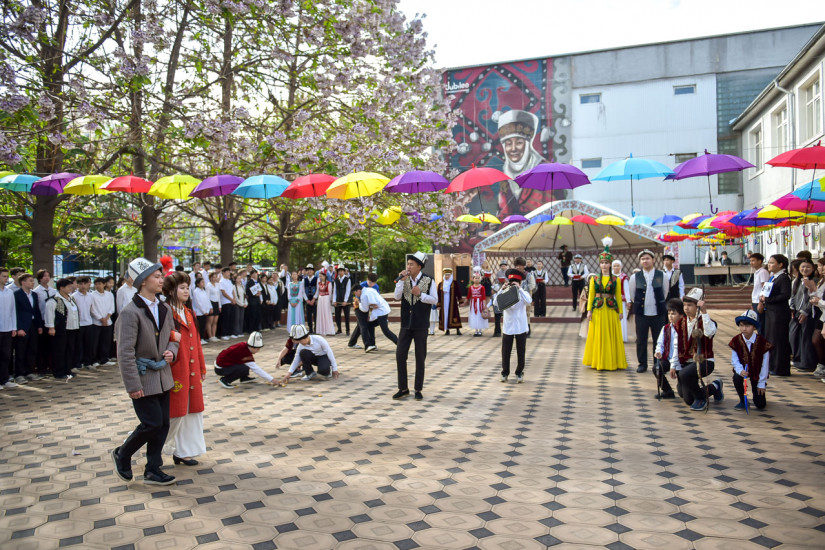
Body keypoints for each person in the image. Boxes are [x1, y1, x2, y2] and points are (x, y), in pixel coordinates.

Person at [111, 257, 180, 486]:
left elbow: (174, 337)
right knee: (151, 423)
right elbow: (125, 352)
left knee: (163, 424)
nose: (162, 280)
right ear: (142, 282)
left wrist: (171, 351)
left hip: (163, 376)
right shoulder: (130, 313)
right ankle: (122, 453)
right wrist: (133, 385)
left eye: (161, 276)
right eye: (157, 277)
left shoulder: (164, 308)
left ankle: (153, 469)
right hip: (143, 377)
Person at [161, 272, 207, 466]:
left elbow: (196, 343)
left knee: (192, 411)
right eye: (182, 287)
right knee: (175, 413)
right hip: (175, 370)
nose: (186, 291)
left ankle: (184, 451)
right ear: (171, 291)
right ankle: (139, 448)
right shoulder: (165, 312)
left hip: (192, 369)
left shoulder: (189, 313)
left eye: (188, 287)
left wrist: (202, 367)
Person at [394, 252, 438, 400]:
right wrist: (400, 282)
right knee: (400, 355)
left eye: (411, 264)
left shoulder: (429, 280)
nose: (408, 267)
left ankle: (418, 389)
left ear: (419, 266)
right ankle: (403, 388)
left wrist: (420, 294)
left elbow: (434, 300)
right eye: (408, 264)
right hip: (406, 324)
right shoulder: (404, 280)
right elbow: (397, 296)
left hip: (421, 324)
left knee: (420, 357)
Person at [671, 288, 723, 411]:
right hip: (687, 363)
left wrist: (704, 312)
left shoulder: (707, 321)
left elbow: (709, 333)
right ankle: (715, 386)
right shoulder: (680, 323)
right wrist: (673, 365)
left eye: (690, 305)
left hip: (704, 361)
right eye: (684, 305)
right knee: (688, 398)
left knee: (684, 375)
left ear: (697, 306)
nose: (686, 308)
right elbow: (676, 345)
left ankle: (701, 399)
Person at [583, 241, 627, 371]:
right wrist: (589, 310)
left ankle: (611, 361)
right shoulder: (595, 278)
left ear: (610, 264)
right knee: (598, 334)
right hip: (598, 309)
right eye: (602, 262)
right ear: (599, 264)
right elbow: (591, 295)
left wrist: (620, 311)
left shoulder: (616, 279)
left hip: (611, 309)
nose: (604, 265)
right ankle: (598, 360)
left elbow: (618, 295)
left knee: (611, 334)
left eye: (606, 263)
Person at [628, 249, 667, 374]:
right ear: (640, 261)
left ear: (653, 260)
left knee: (658, 340)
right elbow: (632, 295)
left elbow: (665, 292)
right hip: (641, 314)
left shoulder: (662, 275)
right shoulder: (634, 277)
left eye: (647, 258)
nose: (645, 261)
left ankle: (658, 363)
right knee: (641, 340)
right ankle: (642, 364)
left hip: (658, 313)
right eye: (643, 259)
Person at [492, 268, 533, 382]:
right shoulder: (505, 292)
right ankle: (505, 372)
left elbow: (529, 301)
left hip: (521, 326)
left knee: (521, 351)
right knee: (506, 351)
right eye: (511, 282)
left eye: (516, 282)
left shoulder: (522, 293)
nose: (513, 284)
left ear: (520, 282)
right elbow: (495, 303)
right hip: (508, 327)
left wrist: (520, 288)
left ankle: (519, 372)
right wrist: (501, 289)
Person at [730, 310, 771, 411]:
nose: (744, 328)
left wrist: (762, 382)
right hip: (743, 371)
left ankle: (757, 393)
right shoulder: (736, 340)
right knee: (736, 377)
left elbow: (765, 364)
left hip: (757, 373)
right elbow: (734, 359)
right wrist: (740, 370)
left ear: (754, 327)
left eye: (747, 326)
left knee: (760, 404)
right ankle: (742, 400)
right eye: (741, 325)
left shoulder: (762, 342)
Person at [758, 254, 792, 376]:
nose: (769, 265)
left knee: (778, 340)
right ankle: (772, 365)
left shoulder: (784, 278)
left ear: (780, 264)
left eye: (772, 263)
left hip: (779, 313)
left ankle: (780, 368)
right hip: (771, 312)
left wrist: (768, 300)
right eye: (769, 262)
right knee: (771, 339)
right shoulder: (773, 277)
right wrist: (762, 300)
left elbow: (785, 295)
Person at [44, 278, 79, 380]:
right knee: (59, 351)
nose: (70, 288)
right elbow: (49, 314)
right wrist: (51, 327)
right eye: (68, 287)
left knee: (69, 350)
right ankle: (58, 371)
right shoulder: (54, 300)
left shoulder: (71, 298)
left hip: (72, 328)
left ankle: (67, 370)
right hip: (61, 329)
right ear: (61, 288)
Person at [13, 273, 44, 384]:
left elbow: (36, 310)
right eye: (30, 281)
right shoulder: (16, 295)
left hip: (33, 325)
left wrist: (39, 325)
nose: (32, 283)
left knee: (32, 349)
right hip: (23, 326)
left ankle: (29, 371)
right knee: (21, 351)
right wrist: (18, 328)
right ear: (23, 282)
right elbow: (15, 312)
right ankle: (19, 374)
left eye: (32, 280)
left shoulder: (34, 294)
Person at [351, 281, 397, 352]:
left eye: (355, 293)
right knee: (369, 325)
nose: (356, 295)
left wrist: (358, 303)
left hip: (380, 313)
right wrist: (371, 305)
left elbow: (364, 309)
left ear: (358, 290)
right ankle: (371, 344)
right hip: (384, 309)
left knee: (386, 331)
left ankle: (399, 343)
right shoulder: (369, 289)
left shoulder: (363, 295)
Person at [790, 258, 818, 372]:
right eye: (802, 267)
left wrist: (805, 311)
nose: (805, 269)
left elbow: (812, 298)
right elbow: (793, 295)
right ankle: (798, 359)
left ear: (813, 268)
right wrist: (792, 307)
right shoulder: (797, 280)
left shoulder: (814, 281)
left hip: (808, 313)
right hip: (796, 312)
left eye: (808, 267)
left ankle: (807, 363)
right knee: (794, 336)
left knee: (806, 338)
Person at [654, 299, 684, 399]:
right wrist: (658, 351)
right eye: (669, 313)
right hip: (669, 359)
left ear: (681, 315)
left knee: (683, 393)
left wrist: (674, 366)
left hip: (681, 362)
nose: (670, 316)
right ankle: (667, 391)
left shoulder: (684, 329)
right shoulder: (666, 328)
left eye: (673, 314)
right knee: (657, 368)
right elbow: (660, 343)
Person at [33, 269, 55, 376]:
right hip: (42, 320)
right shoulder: (36, 292)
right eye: (44, 276)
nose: (46, 278)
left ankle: (50, 365)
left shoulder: (53, 291)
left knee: (51, 345)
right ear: (39, 278)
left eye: (48, 276)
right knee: (41, 346)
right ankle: (41, 367)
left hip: (51, 320)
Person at [90, 277, 116, 367]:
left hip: (108, 322)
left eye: (100, 284)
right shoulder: (92, 295)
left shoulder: (109, 295)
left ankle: (104, 359)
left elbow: (112, 307)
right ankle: (94, 360)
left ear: (104, 284)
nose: (97, 286)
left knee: (106, 341)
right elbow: (92, 309)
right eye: (96, 284)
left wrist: (107, 318)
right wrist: (101, 318)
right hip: (96, 322)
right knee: (95, 342)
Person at [0, 267, 18, 389]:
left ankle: (4, 379)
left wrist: (13, 327)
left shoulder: (9, 292)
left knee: (6, 355)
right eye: (4, 276)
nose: (6, 279)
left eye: (7, 276)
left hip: (7, 328)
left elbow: (13, 311)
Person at [72, 276, 96, 369]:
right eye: (81, 284)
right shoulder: (74, 296)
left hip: (89, 323)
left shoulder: (91, 296)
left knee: (89, 344)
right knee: (78, 345)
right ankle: (78, 363)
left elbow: (92, 309)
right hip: (79, 324)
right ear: (77, 285)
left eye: (85, 284)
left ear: (88, 284)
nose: (83, 286)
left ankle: (88, 362)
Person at [438, 267, 464, 335]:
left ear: (451, 275)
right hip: (444, 302)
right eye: (446, 275)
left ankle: (457, 329)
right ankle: (447, 330)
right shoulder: (441, 284)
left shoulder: (454, 283)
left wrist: (460, 301)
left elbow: (458, 292)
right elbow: (438, 294)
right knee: (445, 315)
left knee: (455, 315)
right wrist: (439, 304)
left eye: (448, 275)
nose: (447, 276)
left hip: (452, 302)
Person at [611, 260, 631, 342]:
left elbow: (626, 289)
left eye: (618, 266)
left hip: (621, 300)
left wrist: (628, 300)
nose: (616, 267)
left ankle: (622, 337)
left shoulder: (623, 277)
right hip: (610, 300)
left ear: (621, 267)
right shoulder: (609, 276)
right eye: (614, 266)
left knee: (621, 318)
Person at [313, 270, 336, 336]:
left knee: (326, 313)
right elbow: (317, 292)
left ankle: (328, 330)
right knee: (320, 313)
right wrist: (314, 298)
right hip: (320, 299)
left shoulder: (329, 283)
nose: (320, 277)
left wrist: (330, 301)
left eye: (321, 276)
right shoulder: (319, 283)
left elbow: (330, 293)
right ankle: (320, 330)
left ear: (325, 276)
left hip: (326, 299)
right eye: (319, 276)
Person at [750, 253, 769, 329]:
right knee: (758, 323)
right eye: (750, 261)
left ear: (759, 261)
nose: (751, 263)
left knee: (761, 324)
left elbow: (765, 287)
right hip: (755, 300)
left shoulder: (763, 272)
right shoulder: (757, 272)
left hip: (760, 301)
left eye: (753, 260)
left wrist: (761, 302)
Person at [191, 276, 212, 345]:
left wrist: (209, 308)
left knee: (203, 325)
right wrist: (203, 311)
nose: (203, 283)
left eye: (203, 282)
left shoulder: (204, 291)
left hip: (205, 311)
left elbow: (207, 300)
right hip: (199, 312)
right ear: (198, 284)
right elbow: (198, 303)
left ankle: (202, 338)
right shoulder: (196, 291)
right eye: (202, 282)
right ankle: (199, 339)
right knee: (199, 326)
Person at [217, 267, 236, 340]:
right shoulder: (221, 281)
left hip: (231, 301)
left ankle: (230, 333)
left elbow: (232, 291)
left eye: (229, 272)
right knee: (225, 318)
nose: (229, 273)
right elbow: (223, 292)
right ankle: (224, 334)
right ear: (223, 273)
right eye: (227, 272)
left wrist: (234, 298)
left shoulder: (229, 281)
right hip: (225, 302)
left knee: (231, 318)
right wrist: (231, 299)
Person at [333, 267, 352, 336]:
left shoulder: (347, 279)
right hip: (338, 300)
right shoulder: (336, 280)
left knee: (347, 316)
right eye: (339, 271)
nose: (340, 272)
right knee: (337, 315)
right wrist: (334, 300)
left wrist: (345, 300)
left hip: (345, 301)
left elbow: (348, 290)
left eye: (342, 271)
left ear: (344, 272)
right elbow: (334, 291)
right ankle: (339, 329)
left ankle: (347, 330)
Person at [301, 265, 318, 333]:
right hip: (307, 300)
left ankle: (316, 328)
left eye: (311, 270)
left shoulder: (317, 279)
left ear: (313, 271)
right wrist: (306, 300)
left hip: (315, 301)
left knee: (316, 315)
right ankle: (310, 328)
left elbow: (318, 290)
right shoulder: (304, 280)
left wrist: (314, 299)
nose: (309, 271)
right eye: (308, 270)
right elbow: (303, 291)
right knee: (308, 315)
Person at [233, 271, 248, 337]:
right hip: (238, 304)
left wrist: (245, 303)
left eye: (240, 278)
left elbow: (244, 295)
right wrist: (241, 304)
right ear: (235, 279)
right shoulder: (234, 287)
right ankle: (236, 332)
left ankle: (240, 331)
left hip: (243, 304)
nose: (239, 280)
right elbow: (235, 297)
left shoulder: (242, 286)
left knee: (241, 319)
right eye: (238, 278)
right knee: (237, 318)